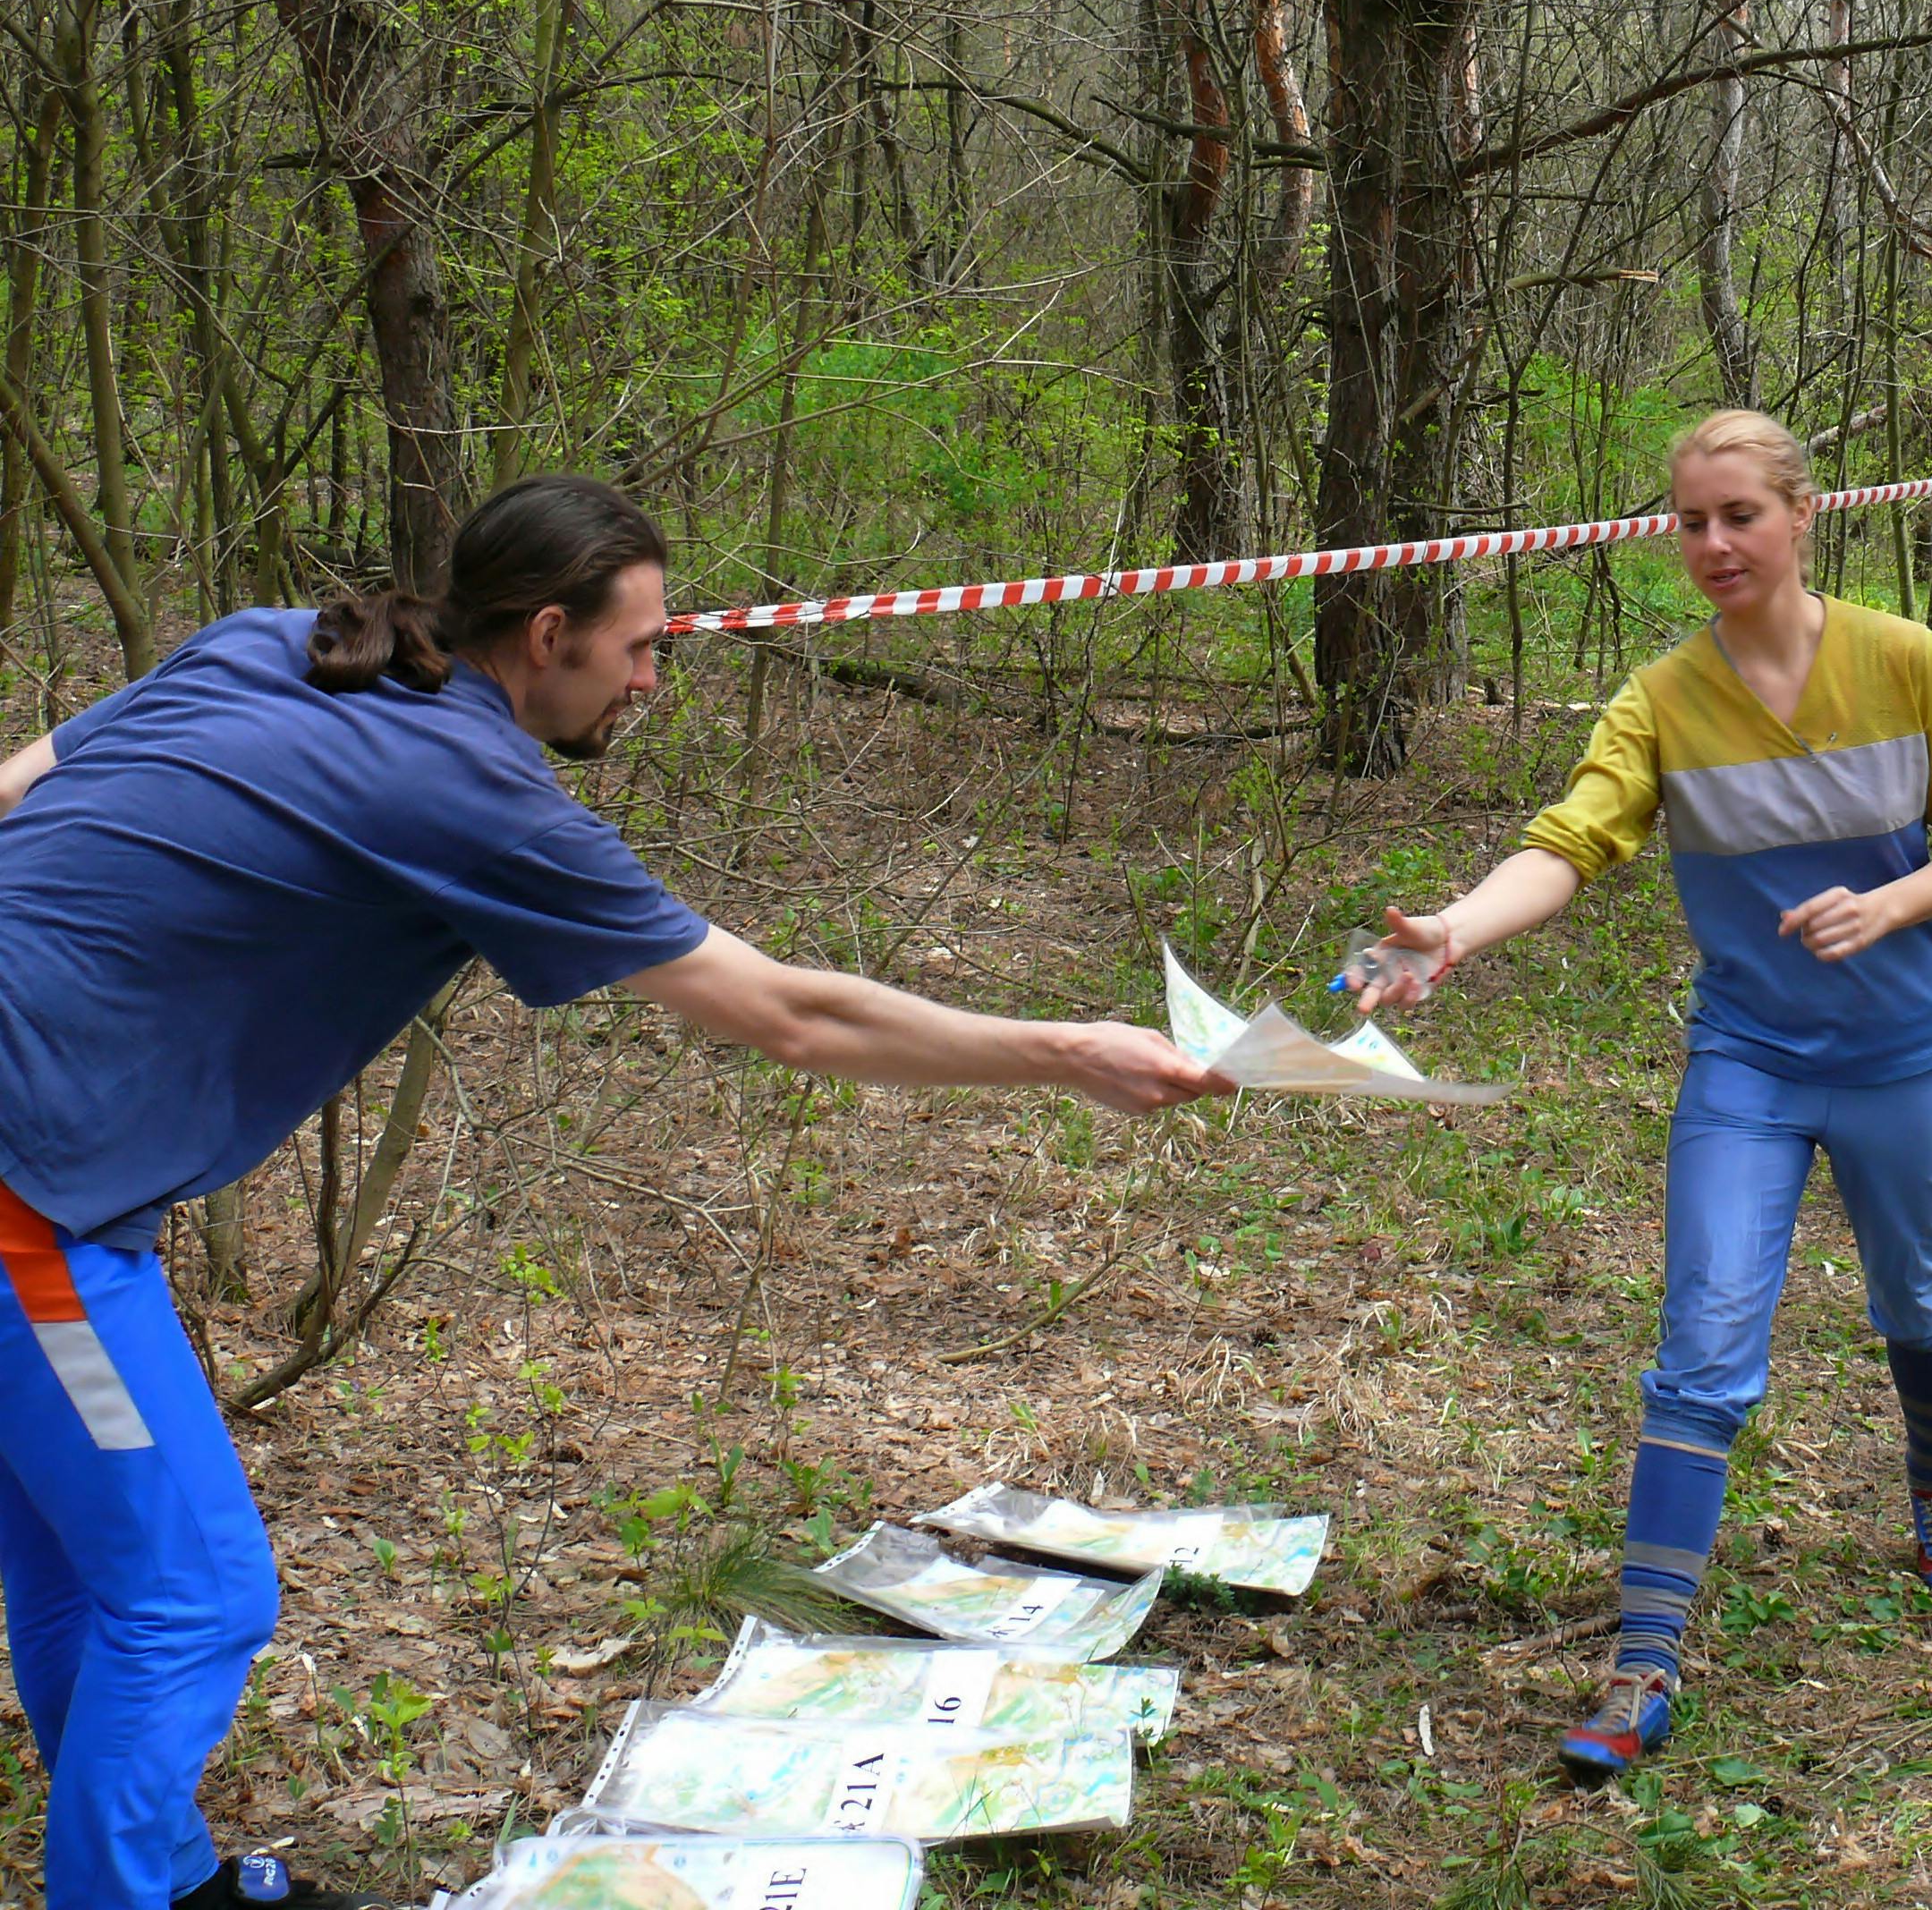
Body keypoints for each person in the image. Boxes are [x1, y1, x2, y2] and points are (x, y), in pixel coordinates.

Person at [0, 477, 1229, 1910]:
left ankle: (162, 1874)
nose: (654, 679)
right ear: (545, 635)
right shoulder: (477, 797)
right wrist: (1067, 1053)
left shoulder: (278, 637)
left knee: (90, 1560)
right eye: (640, 648)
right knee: (196, 1591)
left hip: (66, 1189)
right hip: (31, 1211)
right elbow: (791, 1017)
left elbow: (26, 773)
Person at [1351, 411, 1932, 1783]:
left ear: (1801, 516)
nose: (1713, 545)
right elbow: (1571, 839)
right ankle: (1641, 1661)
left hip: (1904, 1059)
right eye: (1691, 522)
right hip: (1749, 1066)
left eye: (1739, 518)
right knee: (1703, 1345)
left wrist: (1886, 904)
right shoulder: (1661, 699)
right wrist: (1458, 930)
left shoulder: (1904, 661)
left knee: (1921, 1301)